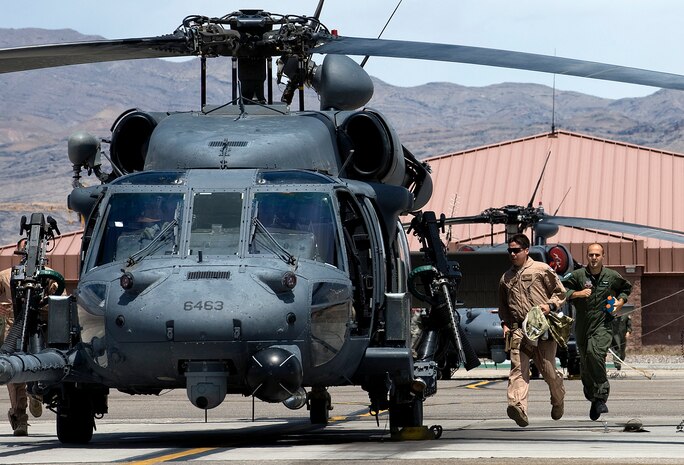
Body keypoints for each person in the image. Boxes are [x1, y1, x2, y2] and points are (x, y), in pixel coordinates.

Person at [498, 233, 567, 427]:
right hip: (519, 330)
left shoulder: (541, 269)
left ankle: (558, 399)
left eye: (516, 250)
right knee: (518, 370)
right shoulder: (506, 278)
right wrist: (505, 323)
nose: (512, 254)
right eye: (510, 250)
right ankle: (518, 407)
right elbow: (504, 305)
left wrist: (550, 306)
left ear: (526, 250)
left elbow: (560, 292)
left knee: (548, 371)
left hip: (542, 327)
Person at [561, 243, 632, 421]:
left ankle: (601, 394)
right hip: (583, 326)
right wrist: (577, 294)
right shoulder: (578, 276)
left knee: (595, 353)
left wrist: (620, 302)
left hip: (603, 324)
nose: (594, 258)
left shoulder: (611, 276)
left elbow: (626, 288)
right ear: (587, 256)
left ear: (603, 256)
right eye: (591, 255)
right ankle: (593, 397)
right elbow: (560, 288)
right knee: (585, 363)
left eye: (597, 255)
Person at [0, 267, 43, 436]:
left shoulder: (47, 274)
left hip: (37, 329)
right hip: (14, 332)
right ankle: (20, 418)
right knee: (14, 374)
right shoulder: (5, 276)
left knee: (40, 366)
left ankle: (36, 394)